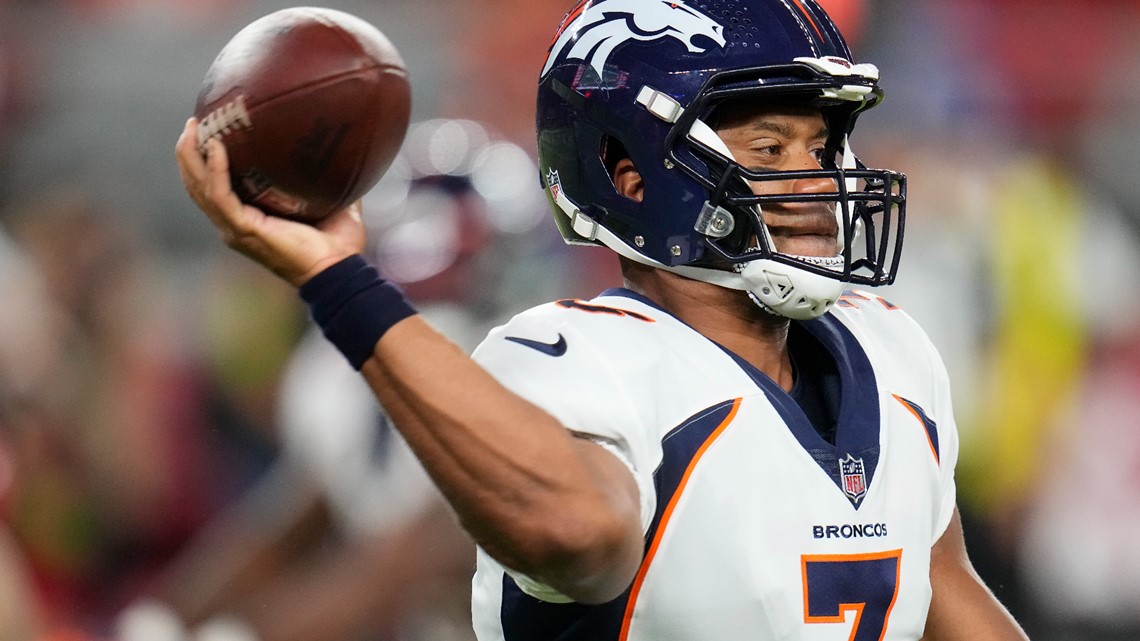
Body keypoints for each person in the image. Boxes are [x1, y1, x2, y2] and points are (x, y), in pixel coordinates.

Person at [175, 0, 1029, 639]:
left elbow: (942, 589)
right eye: (769, 148)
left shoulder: (890, 348)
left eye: (821, 144)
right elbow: (581, 531)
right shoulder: (577, 354)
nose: (814, 177)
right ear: (629, 171)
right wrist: (339, 280)